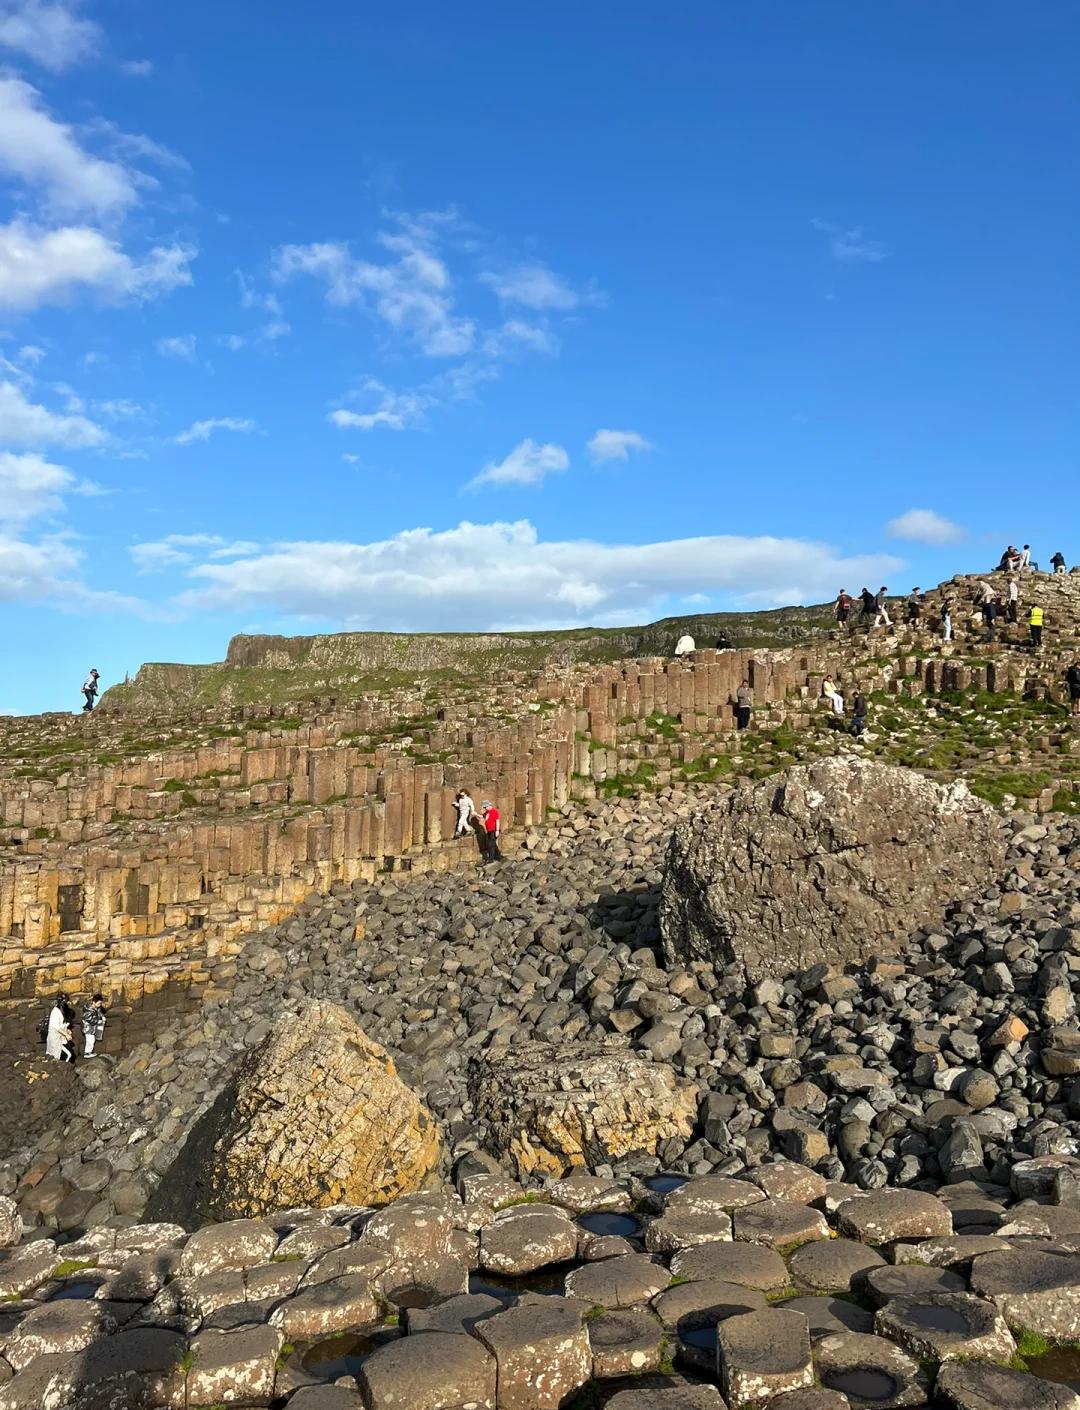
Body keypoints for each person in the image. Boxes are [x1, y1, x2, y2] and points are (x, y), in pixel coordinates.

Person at [45, 994, 73, 1062]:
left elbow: (61, 1025)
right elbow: (56, 1026)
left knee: (68, 1054)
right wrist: (66, 1034)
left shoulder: (60, 1011)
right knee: (54, 1055)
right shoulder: (56, 1012)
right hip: (54, 1037)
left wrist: (67, 1031)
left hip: (59, 1037)